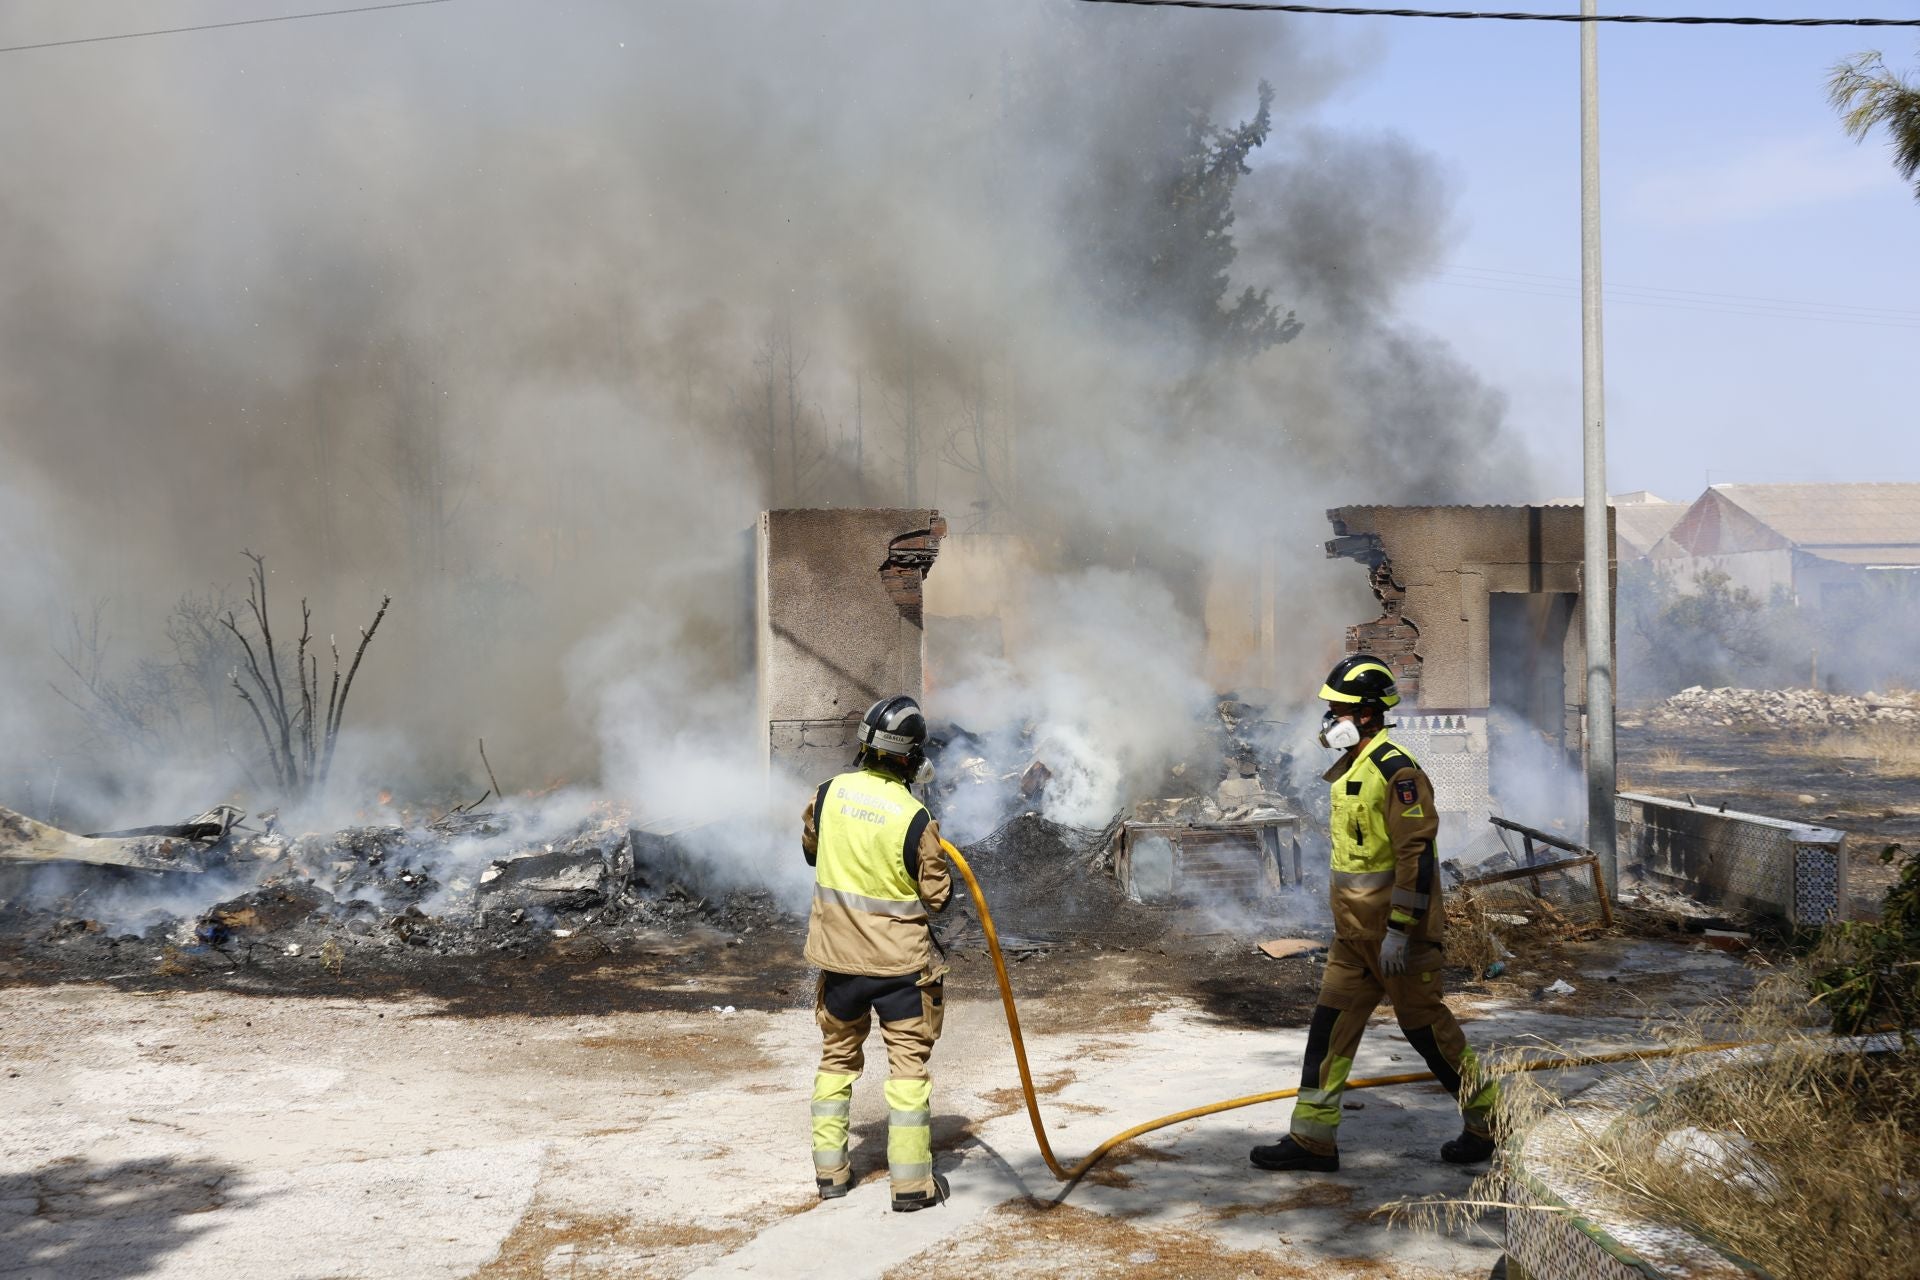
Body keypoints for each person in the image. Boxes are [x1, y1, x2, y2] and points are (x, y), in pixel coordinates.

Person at [1250, 655, 1498, 1173]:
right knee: (1329, 1029)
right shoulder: (1351, 768)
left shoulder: (1396, 770)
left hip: (1395, 939)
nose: (1328, 719)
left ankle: (1491, 1121)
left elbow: (1417, 858)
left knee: (1428, 1032)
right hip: (1352, 937)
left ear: (1366, 714)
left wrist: (1401, 932)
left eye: (1337, 709)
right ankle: (1313, 1140)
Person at [801, 694, 954, 1212]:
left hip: (839, 965)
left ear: (864, 746)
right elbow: (936, 898)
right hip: (900, 972)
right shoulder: (916, 816)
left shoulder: (827, 794)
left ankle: (831, 1176)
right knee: (907, 1069)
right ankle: (911, 1186)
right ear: (910, 757)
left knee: (836, 1060)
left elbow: (811, 851)